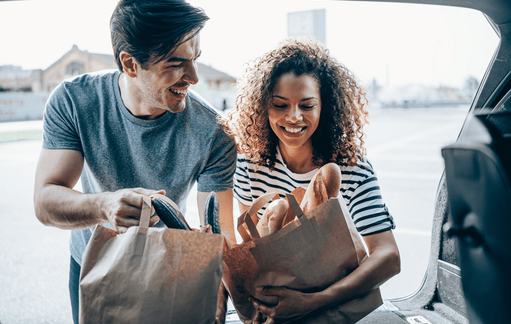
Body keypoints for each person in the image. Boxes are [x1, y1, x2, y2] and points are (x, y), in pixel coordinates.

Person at [33, 1, 236, 323]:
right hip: (92, 262)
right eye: (175, 62)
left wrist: (230, 295)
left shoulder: (215, 131)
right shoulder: (74, 100)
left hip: (169, 268)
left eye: (195, 59)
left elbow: (222, 230)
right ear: (130, 64)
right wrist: (104, 205)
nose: (194, 77)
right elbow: (45, 202)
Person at [222, 38, 401, 323]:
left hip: (333, 305)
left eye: (307, 105)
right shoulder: (248, 165)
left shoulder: (352, 168)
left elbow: (388, 257)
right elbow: (254, 250)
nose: (293, 117)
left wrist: (314, 301)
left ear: (324, 107)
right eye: (280, 105)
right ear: (262, 108)